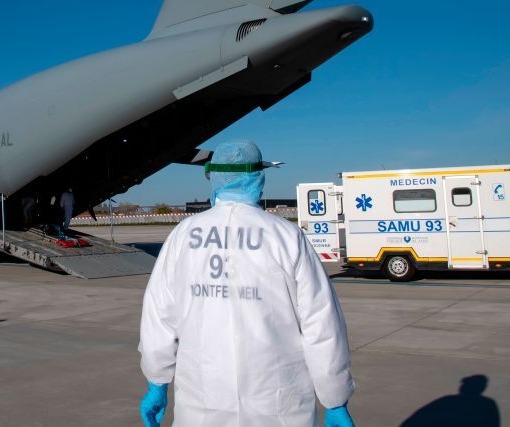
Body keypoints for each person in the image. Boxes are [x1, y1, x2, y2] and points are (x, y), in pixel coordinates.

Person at [138, 141, 355, 427]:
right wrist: (334, 398)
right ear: (259, 178)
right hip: (278, 403)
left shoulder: (184, 235)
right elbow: (321, 324)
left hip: (203, 401)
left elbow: (159, 315)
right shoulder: (286, 236)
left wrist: (157, 380)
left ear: (213, 177)